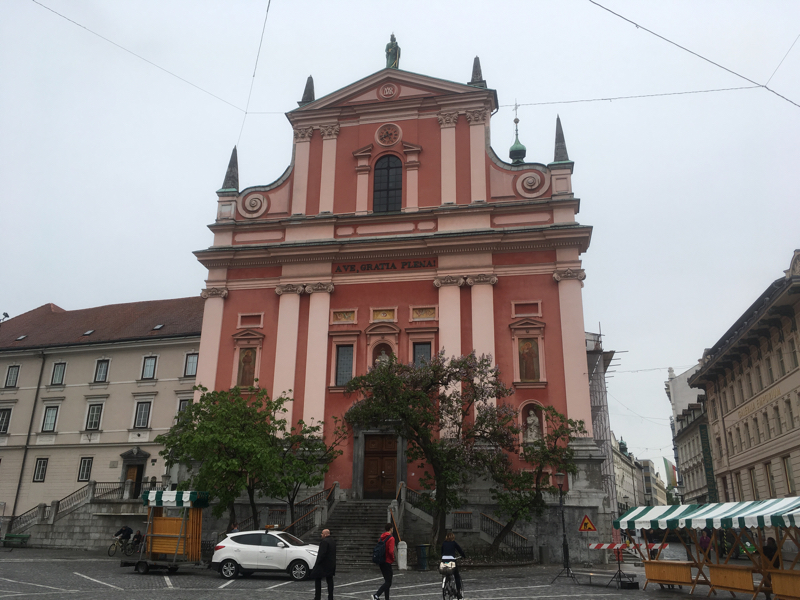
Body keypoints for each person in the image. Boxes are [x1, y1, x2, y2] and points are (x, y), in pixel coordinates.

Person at [310, 528, 336, 600]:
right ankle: (330, 597)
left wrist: (317, 563)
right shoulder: (332, 541)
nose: (321, 535)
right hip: (331, 564)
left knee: (317, 579)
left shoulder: (324, 542)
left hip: (323, 565)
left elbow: (322, 554)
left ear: (325, 534)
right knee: (330, 580)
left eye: (322, 533)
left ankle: (317, 597)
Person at [372, 523, 396, 600]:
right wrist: (392, 559)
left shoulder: (381, 538)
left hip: (381, 560)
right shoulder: (391, 538)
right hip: (387, 561)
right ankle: (376, 595)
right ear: (391, 529)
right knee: (388, 582)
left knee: (386, 581)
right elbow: (390, 551)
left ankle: (386, 598)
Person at [441, 531, 466, 599]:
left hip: (444, 560)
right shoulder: (454, 543)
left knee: (445, 572)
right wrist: (463, 556)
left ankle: (446, 583)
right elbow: (460, 550)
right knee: (456, 575)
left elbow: (442, 552)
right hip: (451, 560)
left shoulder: (444, 543)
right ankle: (458, 592)